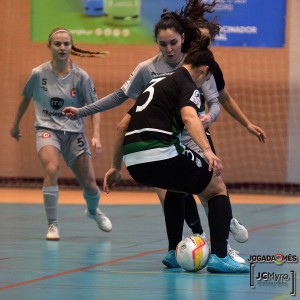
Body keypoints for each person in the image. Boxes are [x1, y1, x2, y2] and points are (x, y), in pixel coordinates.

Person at [62, 1, 248, 255]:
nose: (169, 49)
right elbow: (120, 96)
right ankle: (195, 241)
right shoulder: (148, 69)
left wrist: (209, 119)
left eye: (173, 43)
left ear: (183, 39)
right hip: (163, 139)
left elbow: (215, 101)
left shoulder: (197, 64)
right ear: (156, 44)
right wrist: (83, 111)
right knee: (175, 192)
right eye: (163, 44)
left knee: (210, 187)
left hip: (190, 135)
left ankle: (223, 233)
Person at [103, 36, 249, 273]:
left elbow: (121, 126)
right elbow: (190, 117)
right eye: (207, 77)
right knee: (217, 187)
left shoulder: (157, 82)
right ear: (204, 70)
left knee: (177, 187)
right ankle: (221, 256)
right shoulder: (187, 85)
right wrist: (208, 151)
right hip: (161, 152)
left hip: (135, 163)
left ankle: (173, 252)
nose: (205, 82)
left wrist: (114, 167)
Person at [10, 27, 112, 241]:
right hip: (47, 130)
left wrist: (96, 136)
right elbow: (25, 99)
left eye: (66, 44)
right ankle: (52, 225)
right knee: (52, 168)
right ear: (50, 47)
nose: (62, 47)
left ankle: (93, 211)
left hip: (75, 134)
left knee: (91, 185)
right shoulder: (39, 73)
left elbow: (95, 108)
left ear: (71, 47)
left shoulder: (81, 77)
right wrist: (15, 124)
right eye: (58, 44)